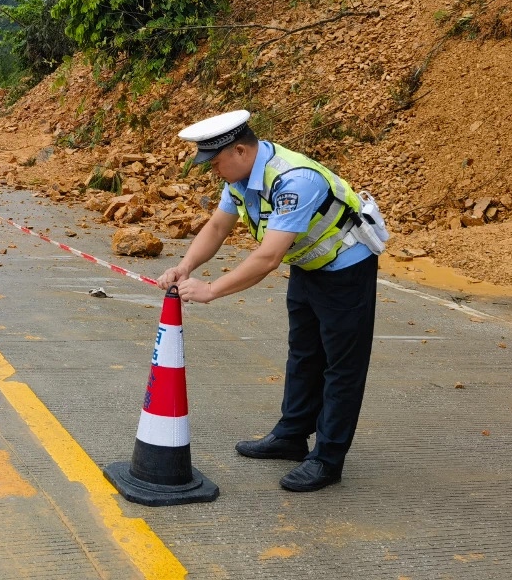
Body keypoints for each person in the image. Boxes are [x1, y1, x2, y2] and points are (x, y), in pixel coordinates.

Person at [157, 109, 383, 493]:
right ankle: (292, 436)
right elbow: (217, 226)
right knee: (303, 354)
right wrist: (185, 266)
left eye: (216, 163)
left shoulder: (295, 181)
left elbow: (267, 257)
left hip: (346, 270)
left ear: (242, 151)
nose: (214, 172)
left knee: (341, 367)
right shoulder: (242, 178)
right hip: (309, 265)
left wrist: (210, 290)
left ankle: (327, 459)